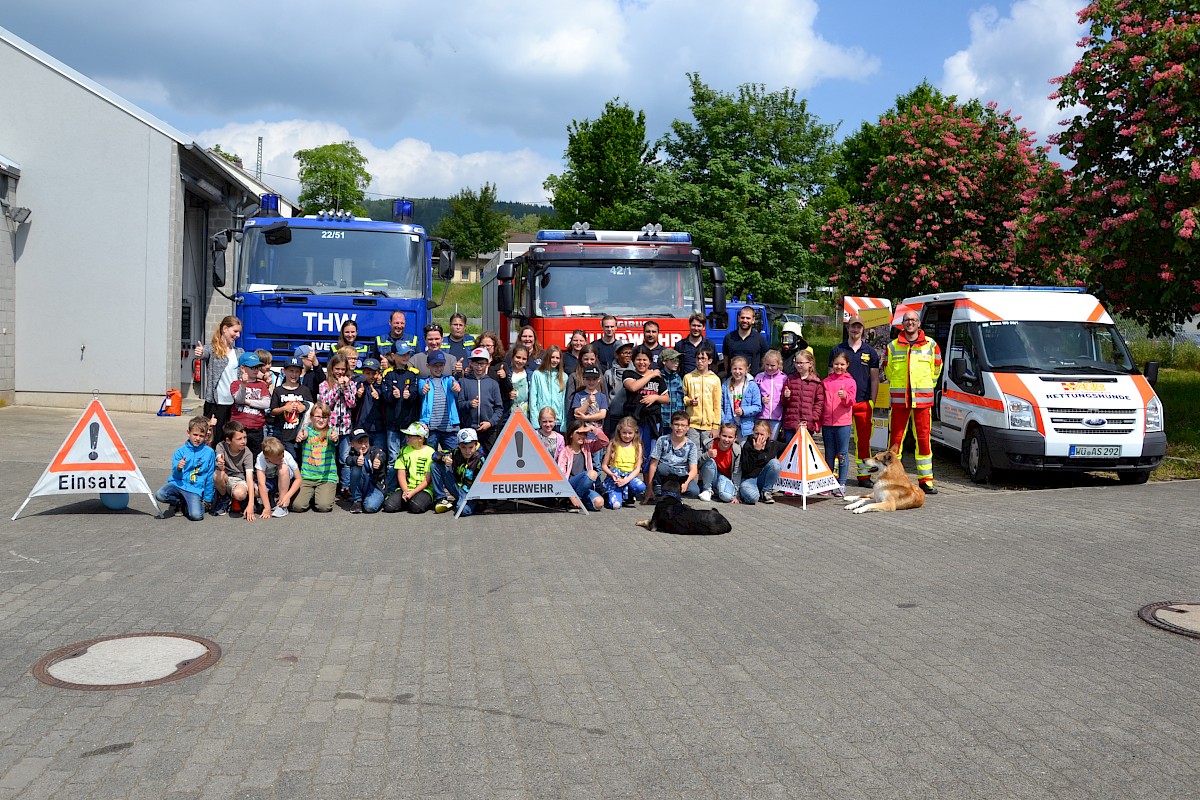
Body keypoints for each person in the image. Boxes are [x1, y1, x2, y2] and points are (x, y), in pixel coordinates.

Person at [883, 309, 943, 494]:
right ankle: (892, 478)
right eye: (907, 320)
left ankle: (926, 481)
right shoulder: (892, 346)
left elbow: (937, 368)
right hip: (900, 401)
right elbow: (888, 370)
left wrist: (926, 387)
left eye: (913, 320)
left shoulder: (931, 345)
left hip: (923, 402)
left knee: (924, 441)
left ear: (919, 323)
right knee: (895, 441)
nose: (910, 323)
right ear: (903, 323)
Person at [830, 314, 882, 488]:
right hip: (840, 405)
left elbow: (875, 379)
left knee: (864, 441)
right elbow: (830, 378)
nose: (855, 329)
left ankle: (864, 476)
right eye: (853, 326)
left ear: (863, 329)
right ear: (848, 328)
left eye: (858, 327)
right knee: (839, 441)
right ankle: (835, 475)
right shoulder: (838, 350)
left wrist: (872, 402)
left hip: (862, 402)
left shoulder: (870, 352)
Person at [155, 415, 216, 521]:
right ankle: (178, 503)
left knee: (196, 516)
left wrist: (207, 499)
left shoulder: (209, 452)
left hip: (194, 488)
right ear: (188, 433)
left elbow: (210, 476)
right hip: (178, 484)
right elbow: (175, 475)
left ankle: (188, 505)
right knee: (160, 494)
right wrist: (178, 468)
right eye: (195, 435)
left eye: (201, 436)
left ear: (206, 436)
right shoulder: (180, 451)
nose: (197, 438)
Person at [194, 315, 243, 437]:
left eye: (239, 332)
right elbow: (203, 353)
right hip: (215, 404)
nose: (238, 335)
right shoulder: (211, 350)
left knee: (231, 439)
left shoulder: (239, 352)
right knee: (213, 438)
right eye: (235, 331)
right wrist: (200, 353)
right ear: (225, 329)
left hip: (234, 404)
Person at [380, 343, 421, 490]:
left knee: (409, 457)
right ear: (393, 356)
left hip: (409, 426)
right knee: (393, 458)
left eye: (407, 354)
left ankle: (408, 488)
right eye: (402, 354)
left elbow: (417, 395)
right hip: (392, 425)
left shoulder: (414, 373)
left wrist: (410, 396)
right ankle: (391, 490)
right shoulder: (387, 373)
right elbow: (384, 396)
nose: (405, 357)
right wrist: (392, 395)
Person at [621, 348, 668, 472]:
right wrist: (651, 374)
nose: (642, 363)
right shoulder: (629, 374)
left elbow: (667, 398)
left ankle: (650, 487)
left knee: (652, 454)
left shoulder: (658, 379)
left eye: (645, 360)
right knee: (634, 453)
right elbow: (633, 387)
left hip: (652, 421)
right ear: (633, 361)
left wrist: (656, 397)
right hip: (634, 421)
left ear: (650, 361)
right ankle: (632, 484)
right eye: (638, 359)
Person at [318, 352, 357, 496]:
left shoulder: (351, 384)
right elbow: (326, 403)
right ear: (331, 369)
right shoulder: (324, 384)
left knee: (344, 459)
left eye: (343, 369)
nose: (340, 372)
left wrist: (346, 388)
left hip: (345, 429)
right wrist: (336, 388)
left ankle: (345, 487)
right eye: (337, 369)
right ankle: (328, 485)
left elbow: (352, 403)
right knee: (328, 457)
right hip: (329, 428)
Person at [291, 401, 339, 513]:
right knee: (297, 506)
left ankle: (319, 494)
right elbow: (304, 435)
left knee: (323, 507)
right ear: (312, 417)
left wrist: (334, 438)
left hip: (326, 478)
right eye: (318, 416)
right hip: (307, 477)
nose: (321, 420)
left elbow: (333, 438)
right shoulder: (307, 431)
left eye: (325, 417)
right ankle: (312, 495)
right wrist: (301, 436)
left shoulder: (330, 432)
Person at [822, 351, 858, 497]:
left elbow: (852, 402)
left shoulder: (851, 382)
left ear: (847, 365)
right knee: (829, 454)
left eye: (842, 364)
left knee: (842, 453)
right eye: (836, 364)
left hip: (843, 423)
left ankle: (841, 483)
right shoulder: (826, 382)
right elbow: (821, 402)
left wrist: (845, 397)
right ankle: (828, 483)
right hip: (827, 423)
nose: (839, 367)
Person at [645, 411, 702, 501]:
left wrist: (685, 483)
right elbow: (653, 464)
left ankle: (671, 493)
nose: (680, 428)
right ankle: (658, 487)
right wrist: (649, 487)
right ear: (671, 425)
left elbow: (694, 470)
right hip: (665, 473)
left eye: (683, 425)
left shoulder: (691, 445)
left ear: (688, 427)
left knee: (694, 491)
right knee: (662, 468)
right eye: (676, 424)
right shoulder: (662, 440)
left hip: (681, 474)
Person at [383, 422, 436, 513]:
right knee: (388, 506)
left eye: (410, 436)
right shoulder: (404, 450)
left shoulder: (430, 452)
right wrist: (405, 491)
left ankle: (419, 500)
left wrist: (413, 492)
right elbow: (401, 473)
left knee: (416, 507)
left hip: (424, 489)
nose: (406, 437)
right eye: (407, 435)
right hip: (407, 488)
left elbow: (428, 479)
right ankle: (408, 499)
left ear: (420, 438)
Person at [557, 419, 609, 511]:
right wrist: (570, 494)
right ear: (571, 434)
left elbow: (605, 441)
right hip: (570, 485)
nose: (582, 436)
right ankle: (571, 499)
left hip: (585, 486)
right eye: (579, 433)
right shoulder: (565, 452)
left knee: (599, 503)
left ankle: (575, 502)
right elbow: (561, 476)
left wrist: (592, 428)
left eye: (584, 433)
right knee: (592, 473)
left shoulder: (587, 447)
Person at [457, 347, 504, 450]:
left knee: (488, 457)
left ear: (487, 364)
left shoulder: (493, 383)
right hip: (470, 428)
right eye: (476, 363)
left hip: (489, 430)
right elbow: (459, 403)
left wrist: (490, 422)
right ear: (471, 364)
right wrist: (469, 404)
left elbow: (499, 408)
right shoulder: (465, 382)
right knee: (470, 458)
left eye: (482, 364)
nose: (479, 367)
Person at [434, 426, 486, 516]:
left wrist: (483, 502)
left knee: (462, 510)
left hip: (469, 492)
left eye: (470, 447)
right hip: (457, 487)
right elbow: (435, 454)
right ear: (459, 446)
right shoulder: (455, 452)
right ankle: (441, 498)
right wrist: (444, 458)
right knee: (435, 465)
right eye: (463, 447)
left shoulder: (480, 459)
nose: (467, 451)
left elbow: (484, 484)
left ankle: (470, 504)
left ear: (476, 444)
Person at [269, 356, 313, 462]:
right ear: (284, 371)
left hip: (300, 433)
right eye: (291, 371)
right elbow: (273, 411)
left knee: (299, 460)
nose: (294, 375)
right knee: (288, 459)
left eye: (297, 371)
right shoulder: (278, 390)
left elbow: (312, 408)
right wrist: (284, 408)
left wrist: (304, 407)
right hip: (283, 433)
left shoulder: (304, 390)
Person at [212, 420, 258, 518]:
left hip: (240, 480)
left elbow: (249, 478)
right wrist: (220, 462)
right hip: (226, 478)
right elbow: (219, 456)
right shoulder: (221, 446)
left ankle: (243, 501)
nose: (243, 442)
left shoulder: (247, 453)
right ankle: (224, 498)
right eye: (239, 439)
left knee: (240, 494)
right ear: (228, 440)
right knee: (217, 474)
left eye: (245, 438)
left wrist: (251, 505)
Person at [418, 351, 461, 454]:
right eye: (434, 365)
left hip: (449, 427)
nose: (438, 368)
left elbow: (454, 385)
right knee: (430, 456)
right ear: (428, 366)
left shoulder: (449, 379)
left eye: (441, 365)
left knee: (454, 455)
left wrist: (456, 386)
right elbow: (421, 389)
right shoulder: (424, 381)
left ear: (444, 365)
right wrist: (423, 389)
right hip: (431, 428)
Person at [229, 352, 271, 457]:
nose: (256, 370)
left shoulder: (262, 385)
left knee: (256, 455)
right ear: (243, 368)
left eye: (258, 367)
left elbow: (266, 404)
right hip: (239, 427)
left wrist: (248, 402)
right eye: (253, 367)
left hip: (257, 427)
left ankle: (254, 473)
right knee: (238, 454)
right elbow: (239, 399)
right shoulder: (236, 384)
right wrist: (243, 384)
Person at [601, 416, 647, 509]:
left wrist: (626, 480)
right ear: (619, 432)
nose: (627, 436)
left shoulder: (637, 446)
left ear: (635, 432)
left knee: (641, 487)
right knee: (616, 505)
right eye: (624, 433)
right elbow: (604, 465)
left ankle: (629, 494)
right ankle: (610, 494)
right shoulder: (614, 443)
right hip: (615, 477)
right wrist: (611, 474)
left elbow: (637, 468)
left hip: (629, 476)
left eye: (630, 433)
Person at [683, 346, 722, 453]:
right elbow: (683, 397)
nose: (700, 362)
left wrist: (715, 426)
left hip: (709, 425)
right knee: (693, 453)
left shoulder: (715, 380)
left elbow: (717, 404)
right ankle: (694, 470)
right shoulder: (688, 377)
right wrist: (689, 401)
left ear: (709, 361)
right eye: (698, 358)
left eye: (703, 359)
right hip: (692, 424)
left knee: (709, 453)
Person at [780, 350, 823, 444]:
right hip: (791, 423)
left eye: (801, 363)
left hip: (807, 423)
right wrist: (786, 396)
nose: (798, 365)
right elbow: (783, 403)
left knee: (804, 452)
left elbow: (819, 403)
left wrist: (813, 417)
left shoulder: (816, 382)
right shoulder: (790, 380)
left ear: (810, 364)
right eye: (796, 363)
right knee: (790, 450)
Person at [739, 419, 783, 504]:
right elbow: (747, 469)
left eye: (762, 434)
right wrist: (756, 451)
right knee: (752, 498)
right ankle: (751, 492)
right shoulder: (747, 445)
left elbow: (791, 445)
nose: (759, 437)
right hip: (749, 478)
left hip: (762, 478)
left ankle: (766, 492)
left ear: (768, 434)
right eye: (756, 433)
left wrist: (800, 431)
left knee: (775, 463)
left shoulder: (773, 444)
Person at [255, 436, 300, 518]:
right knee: (257, 490)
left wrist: (287, 496)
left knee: (283, 468)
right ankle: (269, 500)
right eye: (279, 458)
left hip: (285, 479)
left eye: (282, 456)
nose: (282, 458)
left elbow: (298, 479)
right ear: (267, 458)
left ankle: (282, 505)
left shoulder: (287, 456)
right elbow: (261, 483)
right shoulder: (261, 458)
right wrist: (267, 507)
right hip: (270, 480)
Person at [344, 428, 386, 513]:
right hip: (363, 485)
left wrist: (379, 461)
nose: (363, 445)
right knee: (356, 467)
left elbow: (382, 454)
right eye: (360, 442)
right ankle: (357, 500)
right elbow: (348, 460)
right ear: (351, 444)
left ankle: (375, 498)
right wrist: (356, 460)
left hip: (376, 486)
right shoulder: (352, 453)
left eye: (366, 442)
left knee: (370, 507)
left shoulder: (374, 450)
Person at [722, 355, 762, 442]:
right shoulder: (725, 385)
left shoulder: (752, 386)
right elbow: (720, 406)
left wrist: (744, 411)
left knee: (741, 450)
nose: (737, 372)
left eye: (740, 369)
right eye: (734, 369)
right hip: (729, 425)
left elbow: (757, 406)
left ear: (746, 370)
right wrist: (724, 421)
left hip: (745, 427)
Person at [699, 422, 742, 503]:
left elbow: (737, 473)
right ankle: (707, 490)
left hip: (724, 478)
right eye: (724, 436)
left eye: (730, 437)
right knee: (710, 461)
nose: (726, 440)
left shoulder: (737, 451)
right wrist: (707, 455)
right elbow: (697, 464)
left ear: (735, 438)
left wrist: (736, 494)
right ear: (719, 435)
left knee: (727, 497)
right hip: (710, 474)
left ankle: (716, 490)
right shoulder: (708, 444)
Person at [529, 345, 568, 432]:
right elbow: (533, 399)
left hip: (557, 421)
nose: (555, 360)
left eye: (557, 358)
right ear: (547, 357)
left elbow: (564, 402)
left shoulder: (564, 377)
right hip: (542, 421)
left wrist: (564, 424)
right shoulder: (537, 374)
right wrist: (535, 422)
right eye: (552, 357)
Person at [476, 332, 513, 419]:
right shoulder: (473, 364)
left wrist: (504, 378)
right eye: (482, 345)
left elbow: (509, 390)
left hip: (496, 411)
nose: (485, 348)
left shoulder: (501, 365)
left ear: (495, 347)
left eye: (488, 346)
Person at [352, 357, 387, 451]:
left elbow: (388, 402)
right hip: (362, 427)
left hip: (379, 428)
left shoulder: (383, 386)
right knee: (361, 454)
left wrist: (380, 396)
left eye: (374, 373)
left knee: (379, 455)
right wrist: (358, 395)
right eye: (368, 373)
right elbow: (354, 404)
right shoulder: (360, 385)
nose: (371, 376)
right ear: (363, 373)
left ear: (379, 373)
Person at [723, 306, 768, 376]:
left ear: (753, 320)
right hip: (733, 379)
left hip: (753, 380)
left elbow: (765, 360)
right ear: (738, 318)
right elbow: (726, 359)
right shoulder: (729, 338)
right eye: (742, 317)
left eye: (748, 318)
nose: (745, 320)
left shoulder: (760, 339)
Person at [754, 349, 787, 440]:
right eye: (767, 365)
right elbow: (753, 395)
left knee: (772, 442)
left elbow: (785, 398)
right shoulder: (759, 377)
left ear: (779, 365)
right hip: (761, 415)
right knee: (759, 440)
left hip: (776, 416)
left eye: (773, 365)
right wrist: (761, 400)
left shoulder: (783, 378)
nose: (769, 368)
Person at [603, 341, 634, 437]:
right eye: (625, 353)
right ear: (617, 355)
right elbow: (605, 396)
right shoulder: (609, 373)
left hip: (630, 418)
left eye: (630, 353)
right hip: (613, 418)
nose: (628, 356)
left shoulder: (636, 372)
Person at [658, 348, 686, 433]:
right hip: (662, 422)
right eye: (673, 360)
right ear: (664, 361)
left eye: (678, 360)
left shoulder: (678, 378)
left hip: (676, 422)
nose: (677, 363)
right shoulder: (658, 377)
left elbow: (682, 400)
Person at [507, 344, 533, 417]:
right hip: (509, 413)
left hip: (526, 414)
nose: (520, 361)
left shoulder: (530, 375)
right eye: (518, 357)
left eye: (524, 359)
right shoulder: (507, 373)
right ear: (512, 357)